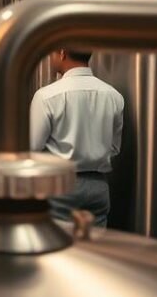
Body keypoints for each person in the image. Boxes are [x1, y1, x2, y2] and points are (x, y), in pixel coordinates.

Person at [30, 48, 124, 226]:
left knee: (56, 241)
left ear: (62, 53)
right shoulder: (114, 96)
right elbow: (114, 148)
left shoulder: (46, 96)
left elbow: (32, 148)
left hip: (58, 185)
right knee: (92, 242)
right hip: (98, 187)